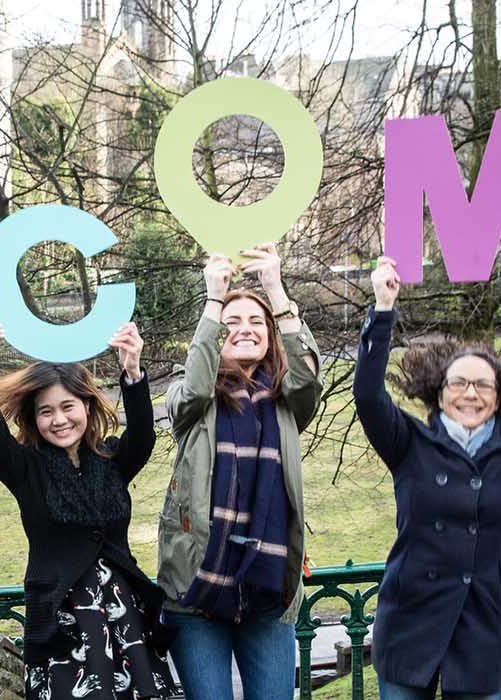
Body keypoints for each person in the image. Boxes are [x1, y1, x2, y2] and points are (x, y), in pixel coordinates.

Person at [355, 252, 501, 700]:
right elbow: (367, 395)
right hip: (410, 621)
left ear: (499, 398)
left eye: (483, 385)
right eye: (458, 383)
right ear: (439, 393)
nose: (470, 393)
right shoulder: (410, 442)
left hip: (480, 626)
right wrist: (382, 309)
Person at [0, 309, 176, 699]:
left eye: (68, 407)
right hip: (62, 628)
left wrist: (132, 372)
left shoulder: (112, 460)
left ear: (86, 406)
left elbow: (144, 436)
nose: (59, 419)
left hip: (123, 618)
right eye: (46, 411)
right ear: (34, 418)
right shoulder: (26, 469)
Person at [156, 243, 324, 699]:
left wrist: (275, 288)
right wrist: (214, 298)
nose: (245, 330)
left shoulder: (289, 404)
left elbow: (307, 376)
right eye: (232, 324)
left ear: (271, 337)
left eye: (257, 323)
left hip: (268, 590)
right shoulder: (189, 399)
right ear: (213, 335)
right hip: (196, 589)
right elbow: (194, 382)